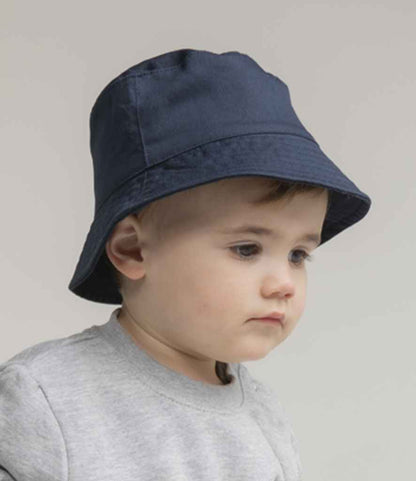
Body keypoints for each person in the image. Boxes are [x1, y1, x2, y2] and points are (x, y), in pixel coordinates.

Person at [0, 48, 372, 480]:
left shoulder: (263, 416)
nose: (284, 283)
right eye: (247, 249)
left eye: (298, 255)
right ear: (133, 250)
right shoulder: (47, 399)